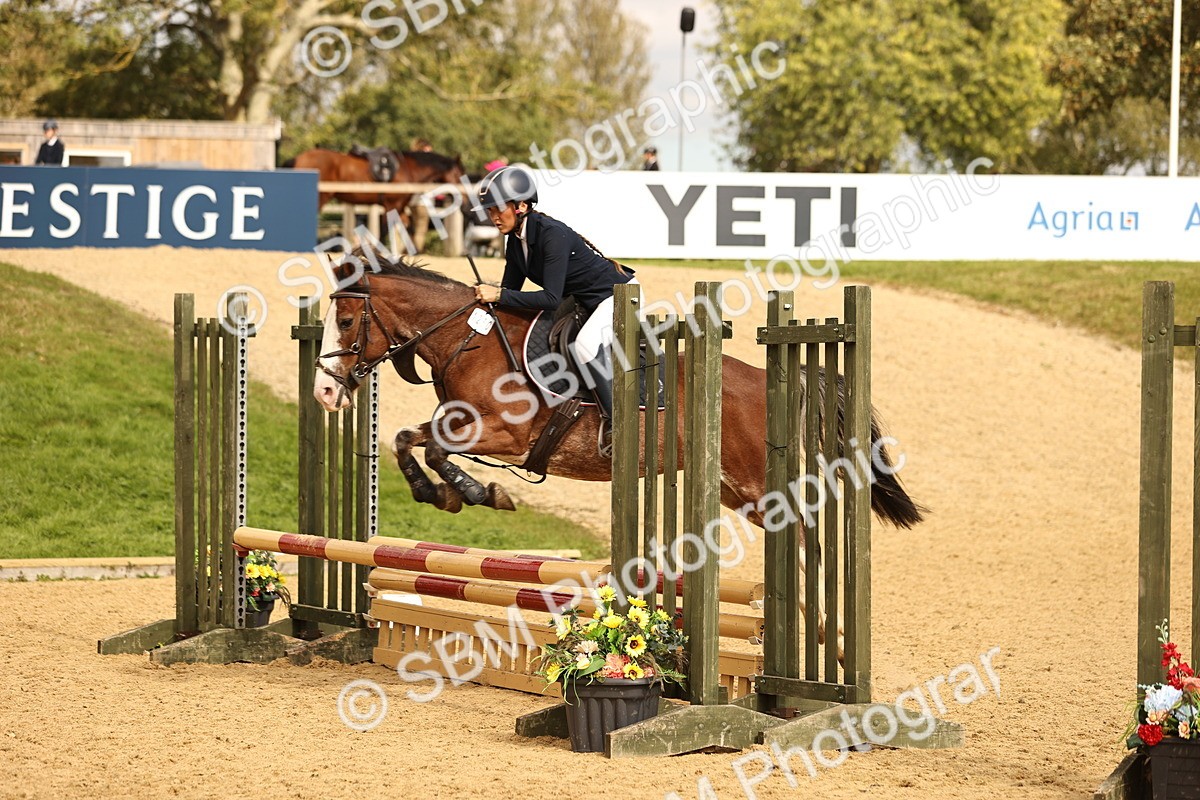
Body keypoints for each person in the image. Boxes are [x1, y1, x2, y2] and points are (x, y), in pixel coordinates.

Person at [474, 165, 635, 454]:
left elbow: (549, 298)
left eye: (498, 209)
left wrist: (498, 294)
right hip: (582, 302)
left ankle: (619, 424)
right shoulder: (514, 242)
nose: (494, 217)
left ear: (521, 205)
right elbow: (509, 294)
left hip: (617, 297)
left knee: (585, 346)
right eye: (489, 211)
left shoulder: (551, 235)